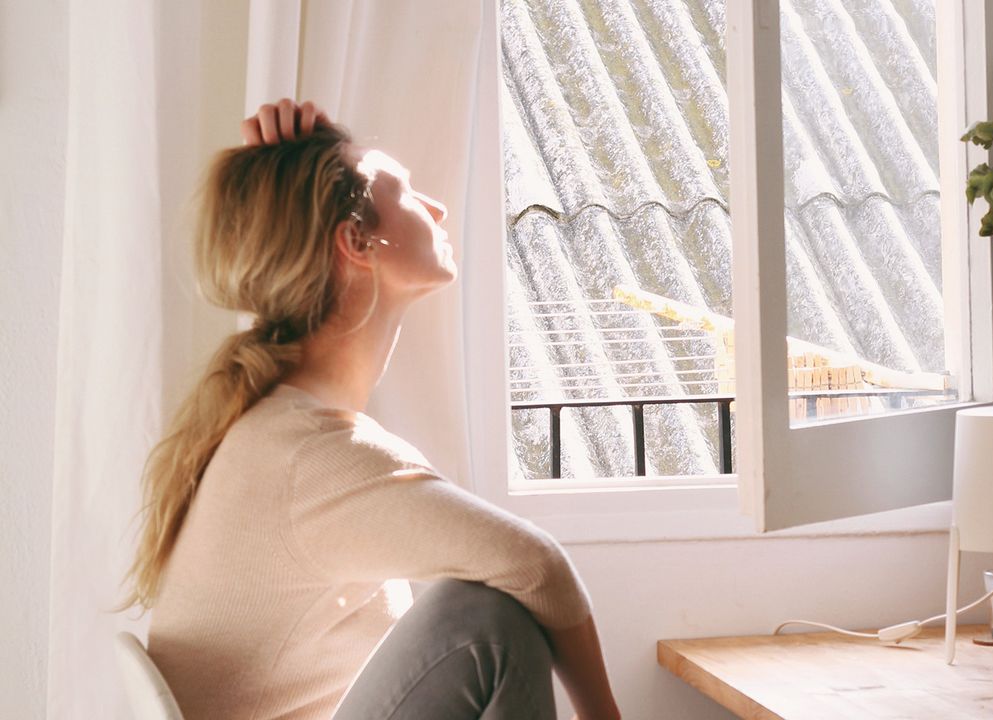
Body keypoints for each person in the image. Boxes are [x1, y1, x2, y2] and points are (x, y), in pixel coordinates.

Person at [118, 99, 621, 720]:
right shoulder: (309, 455)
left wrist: (302, 160)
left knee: (485, 607)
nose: (437, 208)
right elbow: (538, 566)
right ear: (356, 241)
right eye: (408, 193)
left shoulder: (283, 431)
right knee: (484, 619)